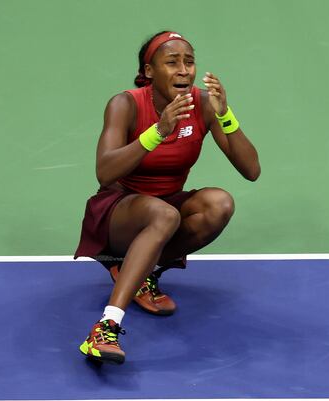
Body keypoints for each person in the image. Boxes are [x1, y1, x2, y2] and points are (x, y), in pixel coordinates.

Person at [74, 31, 261, 364]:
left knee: (220, 204)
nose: (183, 70)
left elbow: (251, 169)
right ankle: (104, 328)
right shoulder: (126, 104)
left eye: (189, 62)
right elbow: (104, 172)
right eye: (172, 62)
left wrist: (224, 115)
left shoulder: (202, 104)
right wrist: (157, 132)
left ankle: (142, 269)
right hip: (118, 213)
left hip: (166, 207)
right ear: (149, 71)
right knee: (164, 215)